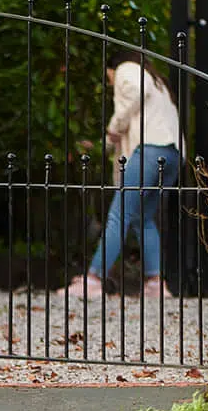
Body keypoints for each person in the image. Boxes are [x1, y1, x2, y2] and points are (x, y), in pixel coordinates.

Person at [61, 51, 182, 298]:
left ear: (112, 69)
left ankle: (93, 280)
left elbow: (136, 94)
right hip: (172, 154)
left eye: (109, 78)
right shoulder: (157, 83)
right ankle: (155, 284)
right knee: (143, 217)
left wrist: (114, 126)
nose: (111, 83)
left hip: (149, 150)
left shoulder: (128, 69)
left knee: (119, 215)